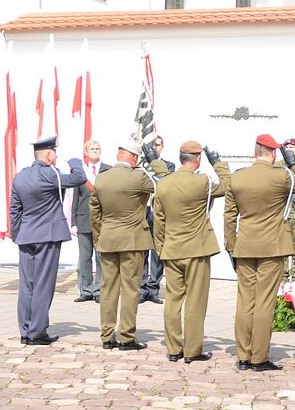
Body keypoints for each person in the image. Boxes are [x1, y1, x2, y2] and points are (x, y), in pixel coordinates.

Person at [224, 134, 295, 371]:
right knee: (264, 302)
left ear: (255, 151)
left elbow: (229, 216)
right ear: (273, 153)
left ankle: (243, 355)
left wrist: (231, 245)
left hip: (245, 245)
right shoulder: (282, 176)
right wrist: (294, 162)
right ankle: (259, 357)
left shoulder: (237, 177)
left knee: (245, 301)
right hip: (272, 246)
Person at [153, 140, 231, 363]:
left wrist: (161, 247)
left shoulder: (164, 184)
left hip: (172, 248)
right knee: (195, 301)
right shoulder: (202, 181)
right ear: (198, 159)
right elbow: (227, 186)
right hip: (197, 248)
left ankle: (173, 348)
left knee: (172, 300)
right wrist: (218, 164)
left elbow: (159, 220)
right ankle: (192, 349)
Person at [90, 140, 169, 350]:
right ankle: (126, 336)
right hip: (132, 240)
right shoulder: (139, 177)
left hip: (108, 239)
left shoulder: (102, 178)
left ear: (118, 155)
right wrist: (153, 162)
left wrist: (99, 237)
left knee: (107, 289)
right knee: (130, 289)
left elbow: (94, 211)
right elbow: (165, 184)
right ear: (134, 158)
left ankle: (107, 335)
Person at [9, 136, 86, 345]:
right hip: (47, 236)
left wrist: (17, 234)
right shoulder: (51, 175)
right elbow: (79, 178)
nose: (56, 157)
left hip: (26, 236)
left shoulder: (20, 176)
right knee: (43, 284)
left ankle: (25, 330)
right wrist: (75, 161)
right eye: (55, 154)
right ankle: (37, 332)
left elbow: (15, 210)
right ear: (49, 155)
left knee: (27, 285)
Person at [71, 140, 109, 303]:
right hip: (83, 219)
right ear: (85, 152)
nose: (95, 151)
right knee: (85, 257)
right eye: (91, 149)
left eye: (97, 148)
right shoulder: (81, 172)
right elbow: (76, 198)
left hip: (103, 220)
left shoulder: (108, 170)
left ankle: (99, 289)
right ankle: (86, 289)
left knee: (101, 257)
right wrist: (73, 221)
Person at [140, 135, 175, 304]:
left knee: (157, 252)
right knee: (142, 251)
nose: (155, 148)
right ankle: (141, 288)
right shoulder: (140, 166)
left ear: (163, 147)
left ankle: (153, 288)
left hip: (158, 212)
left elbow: (165, 184)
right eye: (152, 145)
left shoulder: (169, 166)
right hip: (142, 211)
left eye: (158, 145)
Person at [274, 137, 295, 281]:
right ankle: (283, 278)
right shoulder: (276, 167)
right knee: (282, 247)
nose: (289, 150)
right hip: (281, 213)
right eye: (287, 148)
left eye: (292, 148)